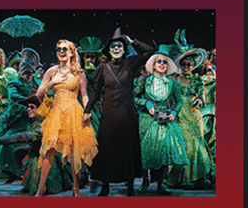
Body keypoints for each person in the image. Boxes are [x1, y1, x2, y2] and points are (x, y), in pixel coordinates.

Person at [83, 29, 154, 196]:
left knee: (128, 149)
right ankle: (105, 186)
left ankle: (130, 186)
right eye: (113, 46)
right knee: (107, 149)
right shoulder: (102, 68)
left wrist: (132, 41)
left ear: (124, 49)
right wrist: (87, 110)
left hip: (127, 114)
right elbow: (96, 92)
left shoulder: (131, 64)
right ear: (109, 50)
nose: (116, 48)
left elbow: (149, 51)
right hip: (109, 114)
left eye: (119, 46)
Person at [33, 39, 97, 197]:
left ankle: (76, 188)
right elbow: (39, 93)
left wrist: (87, 111)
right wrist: (52, 83)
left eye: (65, 49)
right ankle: (41, 188)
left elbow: (84, 95)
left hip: (73, 113)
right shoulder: (51, 71)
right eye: (59, 49)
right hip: (56, 114)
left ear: (71, 53)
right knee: (49, 150)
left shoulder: (78, 72)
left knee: (74, 152)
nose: (61, 52)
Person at [135, 52, 189, 194]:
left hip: (165, 119)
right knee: (145, 151)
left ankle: (160, 184)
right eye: (158, 61)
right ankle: (145, 181)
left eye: (164, 62)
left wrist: (174, 112)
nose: (162, 64)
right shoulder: (145, 81)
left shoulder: (173, 83)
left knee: (164, 151)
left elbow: (179, 101)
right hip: (147, 120)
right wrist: (145, 103)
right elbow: (134, 97)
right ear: (153, 65)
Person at [0, 48, 40, 182]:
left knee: (27, 140)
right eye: (29, 72)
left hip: (30, 116)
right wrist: (27, 100)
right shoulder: (15, 82)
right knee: (10, 138)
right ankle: (6, 169)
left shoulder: (33, 81)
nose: (31, 75)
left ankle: (21, 169)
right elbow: (13, 95)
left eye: (33, 72)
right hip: (17, 116)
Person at [173, 48, 215, 189]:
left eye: (188, 64)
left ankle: (196, 177)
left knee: (196, 143)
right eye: (183, 64)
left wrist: (200, 101)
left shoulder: (197, 80)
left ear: (193, 66)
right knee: (183, 143)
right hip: (180, 114)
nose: (186, 67)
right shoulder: (175, 80)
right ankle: (181, 180)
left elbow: (202, 96)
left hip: (194, 114)